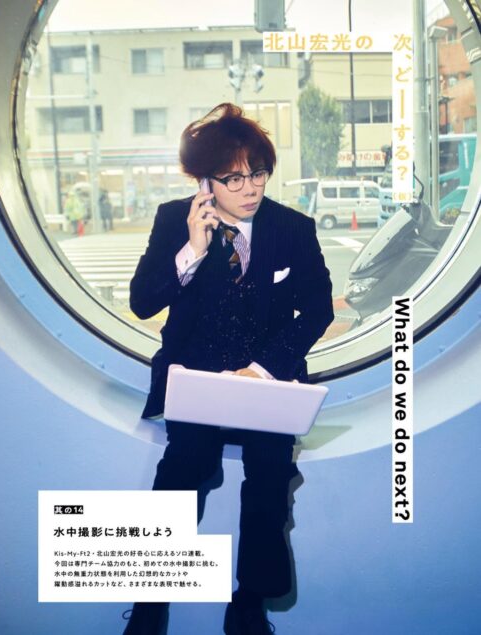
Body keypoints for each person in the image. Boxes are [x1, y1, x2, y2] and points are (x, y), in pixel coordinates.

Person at [126, 103, 334, 635]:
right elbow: (142, 303)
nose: (251, 188)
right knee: (181, 470)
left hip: (266, 383)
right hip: (195, 381)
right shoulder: (174, 220)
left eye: (258, 173)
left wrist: (261, 370)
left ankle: (248, 606)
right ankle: (148, 606)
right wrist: (192, 251)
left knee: (270, 477)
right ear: (206, 181)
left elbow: (318, 311)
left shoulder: (293, 228)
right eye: (234, 178)